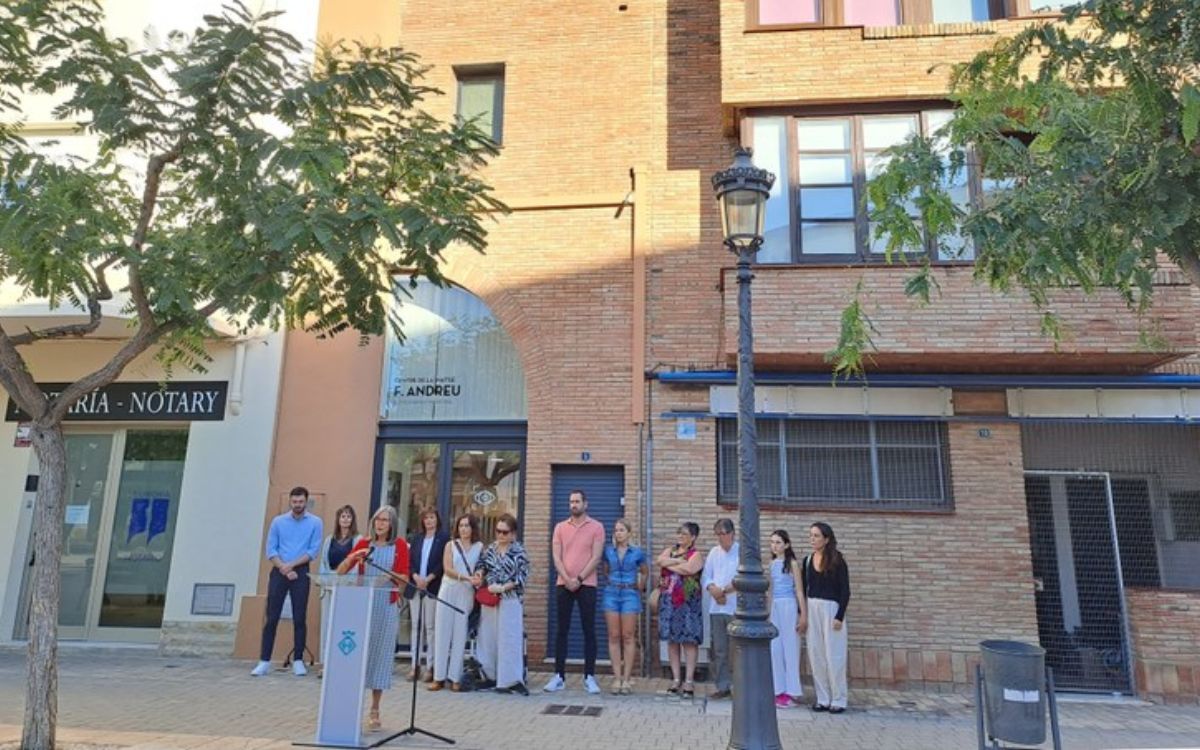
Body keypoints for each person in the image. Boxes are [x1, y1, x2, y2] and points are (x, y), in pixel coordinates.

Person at [337, 506, 410, 731]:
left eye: (385, 521)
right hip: (362, 605)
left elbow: (404, 580)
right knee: (359, 656)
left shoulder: (399, 546)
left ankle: (375, 708)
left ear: (392, 524)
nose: (380, 524)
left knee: (379, 656)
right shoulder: (363, 544)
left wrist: (389, 575)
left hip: (385, 606)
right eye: (377, 520)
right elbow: (340, 571)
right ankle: (351, 706)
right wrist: (352, 558)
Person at [252, 486, 323, 677]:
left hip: (300, 571)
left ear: (306, 502)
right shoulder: (278, 522)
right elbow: (271, 550)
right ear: (290, 502)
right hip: (279, 570)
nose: (297, 505)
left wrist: (291, 566)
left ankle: (298, 660)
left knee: (299, 617)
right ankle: (264, 660)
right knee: (272, 617)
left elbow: (313, 551)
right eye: (294, 502)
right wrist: (283, 567)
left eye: (301, 502)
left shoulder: (315, 522)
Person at [544, 489, 606, 694]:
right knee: (562, 630)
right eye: (571, 501)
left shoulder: (597, 527)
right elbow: (556, 557)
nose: (573, 505)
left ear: (585, 504)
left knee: (589, 630)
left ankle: (589, 676)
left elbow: (596, 557)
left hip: (587, 585)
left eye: (577, 501)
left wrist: (579, 579)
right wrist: (567, 579)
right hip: (564, 584)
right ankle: (559, 676)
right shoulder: (560, 527)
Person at [473, 513, 530, 695]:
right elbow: (481, 565)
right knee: (488, 637)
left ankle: (510, 679)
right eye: (498, 531)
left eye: (505, 532)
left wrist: (504, 587)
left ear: (513, 533)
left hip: (509, 598)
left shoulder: (519, 552)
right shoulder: (490, 549)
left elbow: (522, 575)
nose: (501, 535)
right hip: (490, 598)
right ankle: (489, 675)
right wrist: (480, 574)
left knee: (510, 638)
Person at [430, 513, 482, 692]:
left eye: (467, 525)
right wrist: (466, 577)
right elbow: (447, 568)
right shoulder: (450, 545)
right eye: (461, 526)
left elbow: (481, 568)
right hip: (449, 589)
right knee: (442, 632)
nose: (464, 529)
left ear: (473, 528)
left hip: (465, 593)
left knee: (460, 634)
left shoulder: (479, 547)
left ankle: (455, 677)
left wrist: (478, 577)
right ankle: (439, 677)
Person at [804, 522, 851, 714]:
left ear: (826, 539)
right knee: (816, 654)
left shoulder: (837, 560)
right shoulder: (807, 560)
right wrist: (803, 614)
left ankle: (839, 699)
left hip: (831, 609)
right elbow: (805, 588)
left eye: (816, 536)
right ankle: (822, 698)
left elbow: (845, 590)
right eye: (811, 535)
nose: (813, 539)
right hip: (812, 606)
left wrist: (839, 616)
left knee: (835, 655)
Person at [655, 521, 704, 698]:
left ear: (693, 537)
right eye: (679, 533)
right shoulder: (671, 550)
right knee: (672, 641)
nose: (680, 537)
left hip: (688, 604)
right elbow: (659, 560)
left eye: (684, 534)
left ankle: (689, 681)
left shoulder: (696, 554)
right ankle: (676, 679)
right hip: (669, 602)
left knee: (689, 641)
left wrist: (670, 565)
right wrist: (677, 561)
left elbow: (690, 568)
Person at [599, 518, 648, 695]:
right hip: (611, 593)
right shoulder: (608, 551)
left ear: (629, 533)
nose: (618, 533)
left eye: (621, 530)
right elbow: (605, 569)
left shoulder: (637, 552)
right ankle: (617, 678)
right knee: (613, 635)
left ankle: (627, 679)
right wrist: (612, 582)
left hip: (630, 594)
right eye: (616, 530)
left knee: (628, 636)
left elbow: (644, 571)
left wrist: (640, 587)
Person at [405, 507, 449, 682]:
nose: (429, 521)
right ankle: (414, 664)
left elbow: (441, 563)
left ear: (437, 520)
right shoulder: (417, 539)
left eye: (432, 518)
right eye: (426, 518)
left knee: (430, 627)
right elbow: (410, 561)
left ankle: (430, 666)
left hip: (432, 586)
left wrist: (429, 578)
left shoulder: (443, 539)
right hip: (415, 585)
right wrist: (415, 576)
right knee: (416, 625)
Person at [317, 504, 362, 671]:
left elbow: (357, 565)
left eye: (349, 516)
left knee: (343, 625)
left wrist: (345, 580)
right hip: (330, 585)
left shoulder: (357, 540)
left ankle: (341, 662)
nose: (345, 519)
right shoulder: (329, 540)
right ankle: (325, 661)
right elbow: (323, 562)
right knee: (327, 624)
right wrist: (326, 580)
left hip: (347, 587)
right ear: (338, 519)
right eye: (343, 516)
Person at [767, 529, 806, 709]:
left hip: (789, 606)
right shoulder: (772, 564)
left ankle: (792, 691)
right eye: (772, 542)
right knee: (775, 649)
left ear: (786, 545)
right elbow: (771, 591)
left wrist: (803, 614)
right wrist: (767, 613)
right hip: (775, 607)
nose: (774, 546)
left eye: (778, 542)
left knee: (790, 647)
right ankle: (778, 689)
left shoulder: (792, 564)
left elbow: (799, 590)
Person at [701, 517, 738, 700]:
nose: (720, 539)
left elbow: (741, 579)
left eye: (723, 534)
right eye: (718, 535)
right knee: (719, 650)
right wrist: (713, 590)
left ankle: (740, 687)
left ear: (732, 533)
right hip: (717, 608)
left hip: (735, 608)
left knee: (738, 650)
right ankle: (723, 686)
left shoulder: (741, 552)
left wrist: (723, 591)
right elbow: (706, 576)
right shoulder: (714, 552)